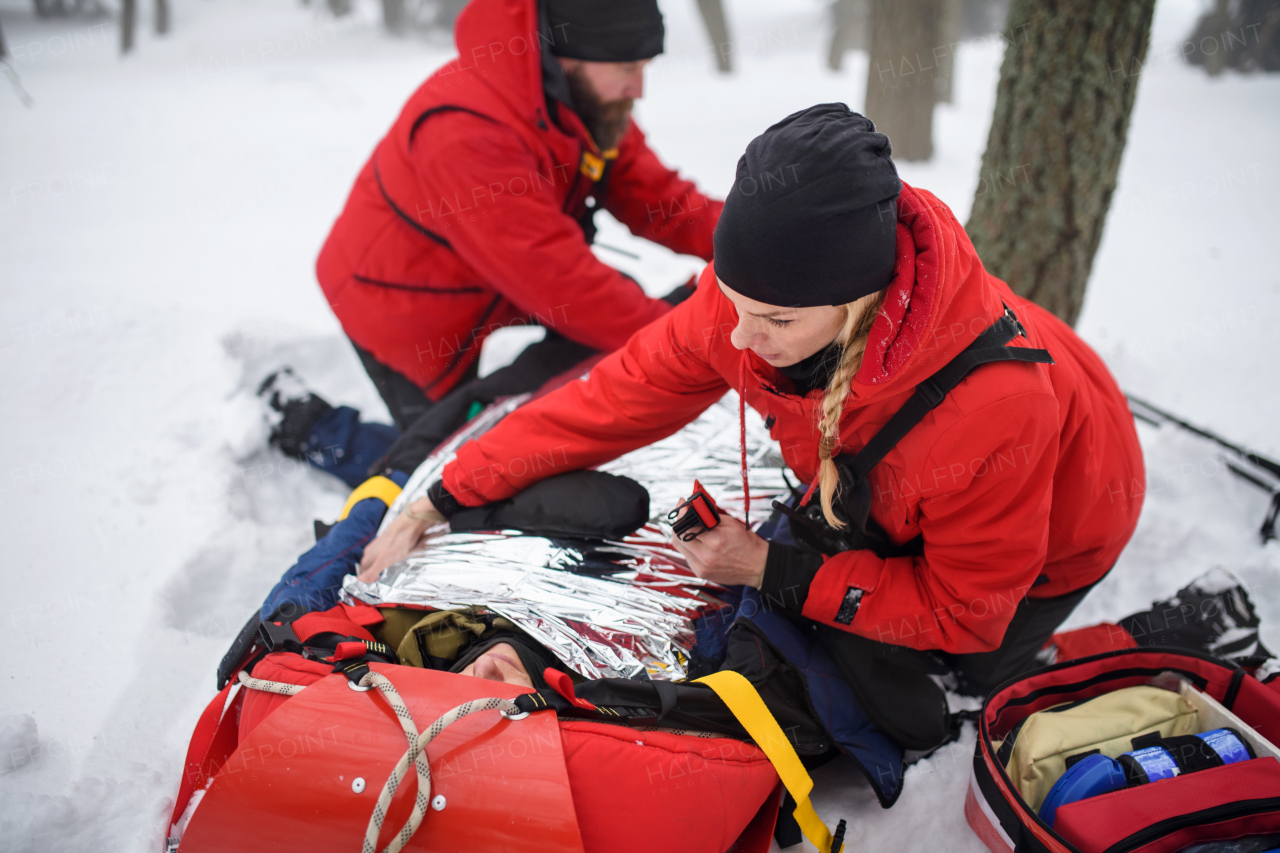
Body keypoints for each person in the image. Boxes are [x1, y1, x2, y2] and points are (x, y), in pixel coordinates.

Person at [358, 104, 1147, 715]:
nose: (738, 338)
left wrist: (774, 569)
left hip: (1070, 524)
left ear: (857, 303)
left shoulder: (992, 412)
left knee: (954, 673)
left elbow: (962, 610)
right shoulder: (756, 305)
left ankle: (1093, 657)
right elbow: (610, 399)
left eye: (773, 322)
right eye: (732, 302)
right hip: (938, 461)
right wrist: (447, 491)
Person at [265, 0, 723, 487]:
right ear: (568, 54)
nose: (639, 88)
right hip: (400, 300)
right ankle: (314, 428)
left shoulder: (584, 99)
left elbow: (660, 200)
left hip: (490, 277)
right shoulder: (464, 130)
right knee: (450, 460)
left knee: (607, 327)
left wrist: (758, 241)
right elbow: (558, 280)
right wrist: (692, 350)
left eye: (645, 67)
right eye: (628, 68)